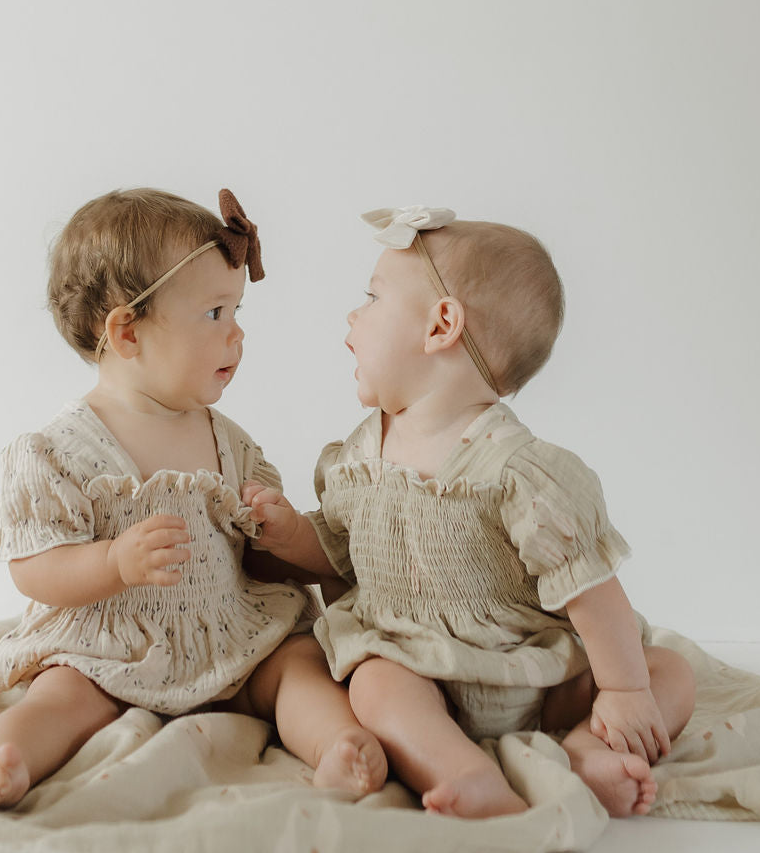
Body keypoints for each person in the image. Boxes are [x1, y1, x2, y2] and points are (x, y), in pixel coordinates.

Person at [244, 205, 696, 821]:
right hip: (414, 664)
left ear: (441, 326)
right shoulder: (358, 456)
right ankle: (462, 768)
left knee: (668, 671)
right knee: (374, 683)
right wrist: (293, 534)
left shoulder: (517, 471)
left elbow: (592, 591)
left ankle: (593, 748)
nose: (353, 315)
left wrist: (623, 689)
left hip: (536, 664)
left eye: (372, 298)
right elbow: (347, 557)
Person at [0, 187, 387, 808]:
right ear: (126, 333)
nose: (237, 335)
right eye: (215, 313)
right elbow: (34, 568)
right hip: (111, 643)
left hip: (231, 633)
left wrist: (278, 530)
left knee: (295, 664)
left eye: (237, 312)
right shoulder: (59, 452)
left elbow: (257, 561)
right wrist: (112, 564)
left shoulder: (229, 442)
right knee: (62, 693)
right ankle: (10, 753)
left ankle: (337, 744)